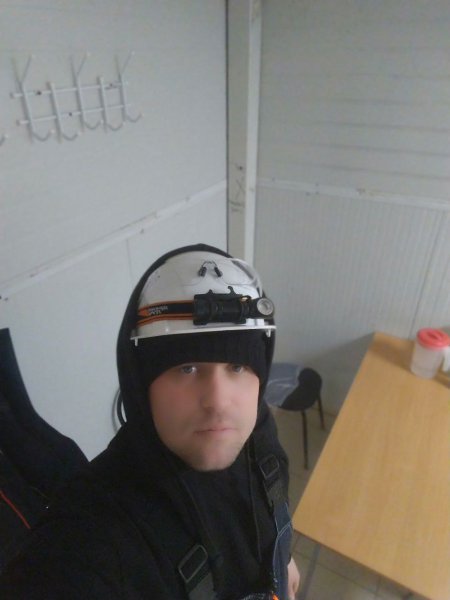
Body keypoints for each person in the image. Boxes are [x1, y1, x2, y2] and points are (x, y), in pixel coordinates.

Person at [0, 243, 300, 599]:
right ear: (141, 384)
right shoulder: (93, 535)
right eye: (187, 368)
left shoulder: (259, 433)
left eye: (237, 366)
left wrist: (283, 559)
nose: (219, 402)